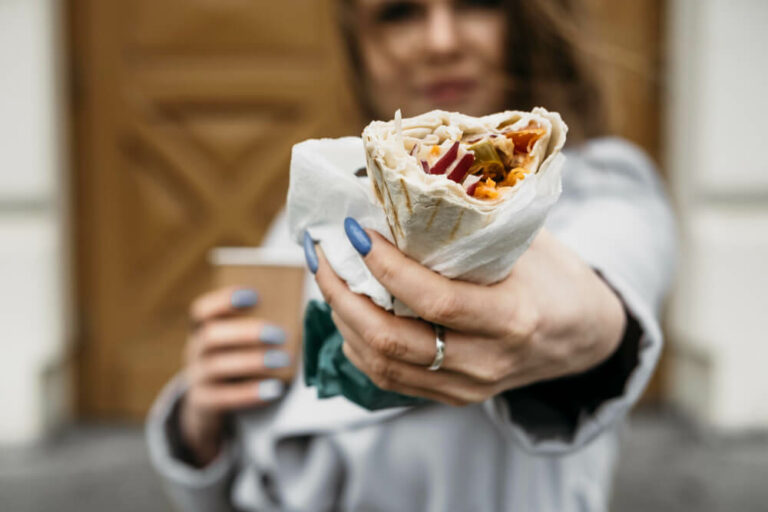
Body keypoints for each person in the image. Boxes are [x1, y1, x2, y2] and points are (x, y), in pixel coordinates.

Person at [146, 0, 676, 510]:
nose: (440, 42)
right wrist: (201, 425)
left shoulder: (599, 188)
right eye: (400, 12)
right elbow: (250, 474)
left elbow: (602, 298)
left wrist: (565, 325)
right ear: (361, 46)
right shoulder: (316, 206)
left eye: (476, 3)